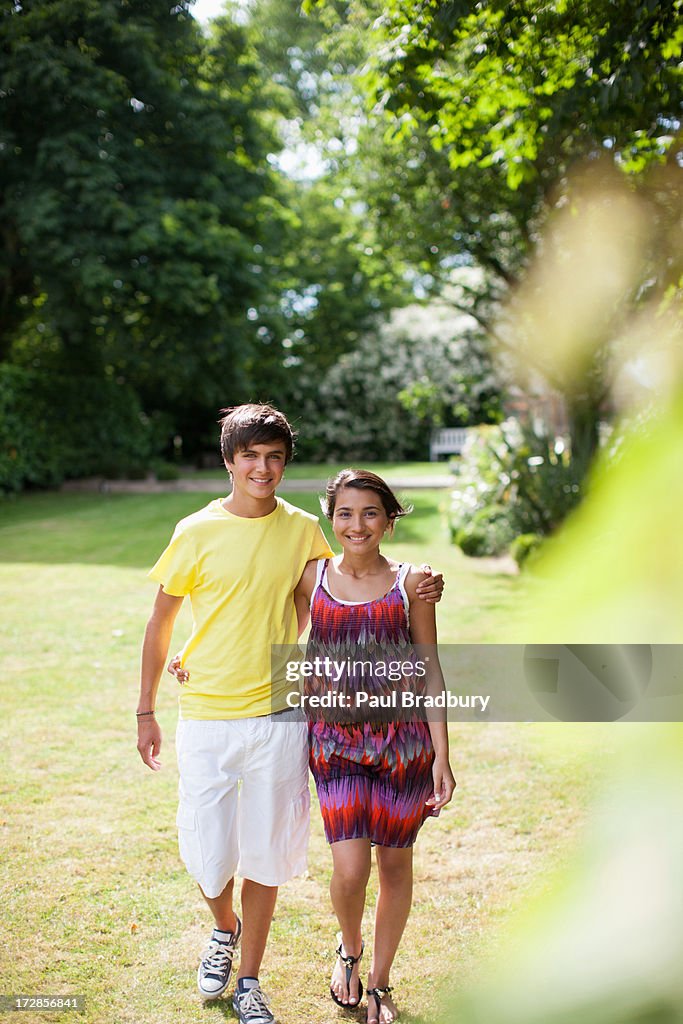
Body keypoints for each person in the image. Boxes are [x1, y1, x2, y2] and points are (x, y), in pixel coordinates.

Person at [137, 404, 444, 1024]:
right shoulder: (194, 530)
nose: (262, 467)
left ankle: (251, 978)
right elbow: (164, 619)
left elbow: (339, 586)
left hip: (283, 713)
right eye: (250, 455)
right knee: (207, 852)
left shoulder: (305, 529)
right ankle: (224, 928)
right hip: (207, 712)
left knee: (270, 853)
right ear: (229, 461)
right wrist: (146, 706)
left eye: (274, 456)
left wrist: (419, 580)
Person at [293, 469, 456, 1024]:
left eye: (369, 513)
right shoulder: (310, 576)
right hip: (334, 741)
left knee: (394, 866)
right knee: (349, 869)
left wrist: (443, 757)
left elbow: (430, 670)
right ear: (330, 518)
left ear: (389, 520)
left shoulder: (411, 584)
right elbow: (261, 623)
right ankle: (349, 947)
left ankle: (380, 984)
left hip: (402, 744)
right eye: (344, 512)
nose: (356, 524)